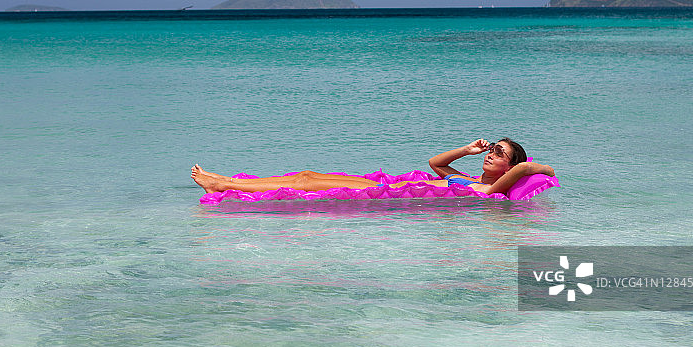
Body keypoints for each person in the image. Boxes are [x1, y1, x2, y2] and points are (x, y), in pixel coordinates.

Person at [191, 138, 554, 196]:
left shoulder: (488, 190)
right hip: (380, 185)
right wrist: (469, 150)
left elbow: (539, 171)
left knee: (304, 181)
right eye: (491, 149)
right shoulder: (471, 178)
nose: (491, 154)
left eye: (498, 153)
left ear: (510, 165)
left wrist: (528, 166)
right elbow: (434, 164)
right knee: (307, 174)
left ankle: (222, 185)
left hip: (382, 195)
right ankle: (226, 181)